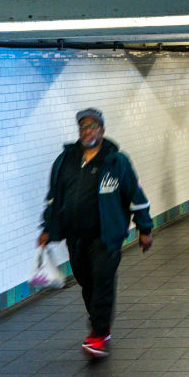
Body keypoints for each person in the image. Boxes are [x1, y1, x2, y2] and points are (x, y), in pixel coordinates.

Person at [38, 108, 153, 358]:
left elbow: (136, 196)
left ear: (102, 130)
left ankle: (99, 332)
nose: (87, 130)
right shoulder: (65, 160)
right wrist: (47, 228)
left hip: (106, 235)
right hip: (75, 235)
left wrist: (145, 228)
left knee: (102, 279)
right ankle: (99, 321)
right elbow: (53, 197)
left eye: (92, 126)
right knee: (85, 281)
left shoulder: (117, 161)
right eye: (83, 126)